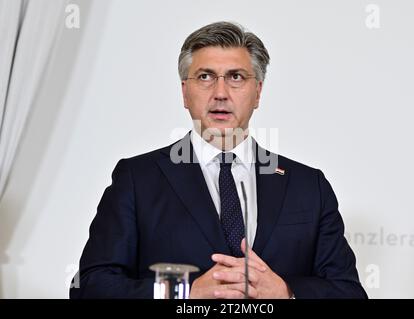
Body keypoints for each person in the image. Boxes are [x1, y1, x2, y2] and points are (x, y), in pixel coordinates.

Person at [70, 21, 367, 299]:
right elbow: (89, 286)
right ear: (185, 92)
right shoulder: (137, 179)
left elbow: (348, 292)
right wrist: (185, 293)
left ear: (258, 92)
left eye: (236, 77)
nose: (220, 93)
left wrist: (287, 291)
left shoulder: (308, 185)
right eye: (205, 77)